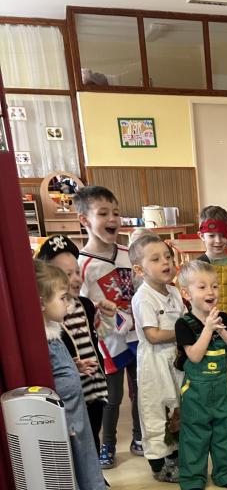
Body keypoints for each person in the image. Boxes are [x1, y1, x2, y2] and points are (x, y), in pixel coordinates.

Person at [35, 261, 118, 490]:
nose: (68, 303)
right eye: (62, 298)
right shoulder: (42, 341)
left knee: (84, 462)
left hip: (74, 412)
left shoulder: (53, 333)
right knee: (69, 470)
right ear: (41, 302)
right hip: (65, 418)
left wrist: (74, 365)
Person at [74, 184, 142, 468]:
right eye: (103, 213)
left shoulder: (130, 254)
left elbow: (141, 287)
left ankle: (139, 436)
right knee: (112, 396)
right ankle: (108, 443)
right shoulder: (81, 264)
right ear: (84, 220)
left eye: (116, 212)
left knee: (140, 389)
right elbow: (79, 305)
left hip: (137, 335)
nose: (112, 219)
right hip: (107, 342)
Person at [175, 261, 227, 490]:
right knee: (194, 436)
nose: (210, 291)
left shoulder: (224, 318)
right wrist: (208, 329)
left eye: (214, 286)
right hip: (196, 392)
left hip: (221, 391)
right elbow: (195, 356)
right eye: (202, 286)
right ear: (186, 293)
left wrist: (221, 329)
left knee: (224, 433)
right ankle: (193, 480)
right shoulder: (184, 324)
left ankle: (225, 474)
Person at [36, 235, 107, 451]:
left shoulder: (86, 304)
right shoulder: (50, 317)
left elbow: (98, 335)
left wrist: (107, 317)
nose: (76, 279)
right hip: (72, 394)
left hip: (95, 386)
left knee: (93, 437)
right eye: (67, 274)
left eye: (77, 271)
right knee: (77, 443)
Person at [129, 234, 185, 483]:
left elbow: (184, 318)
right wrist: (183, 332)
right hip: (154, 363)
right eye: (156, 259)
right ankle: (159, 464)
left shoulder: (173, 291)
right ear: (140, 270)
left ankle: (176, 455)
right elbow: (152, 335)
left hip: (176, 359)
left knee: (177, 406)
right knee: (156, 410)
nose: (166, 262)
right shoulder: (144, 297)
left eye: (168, 256)